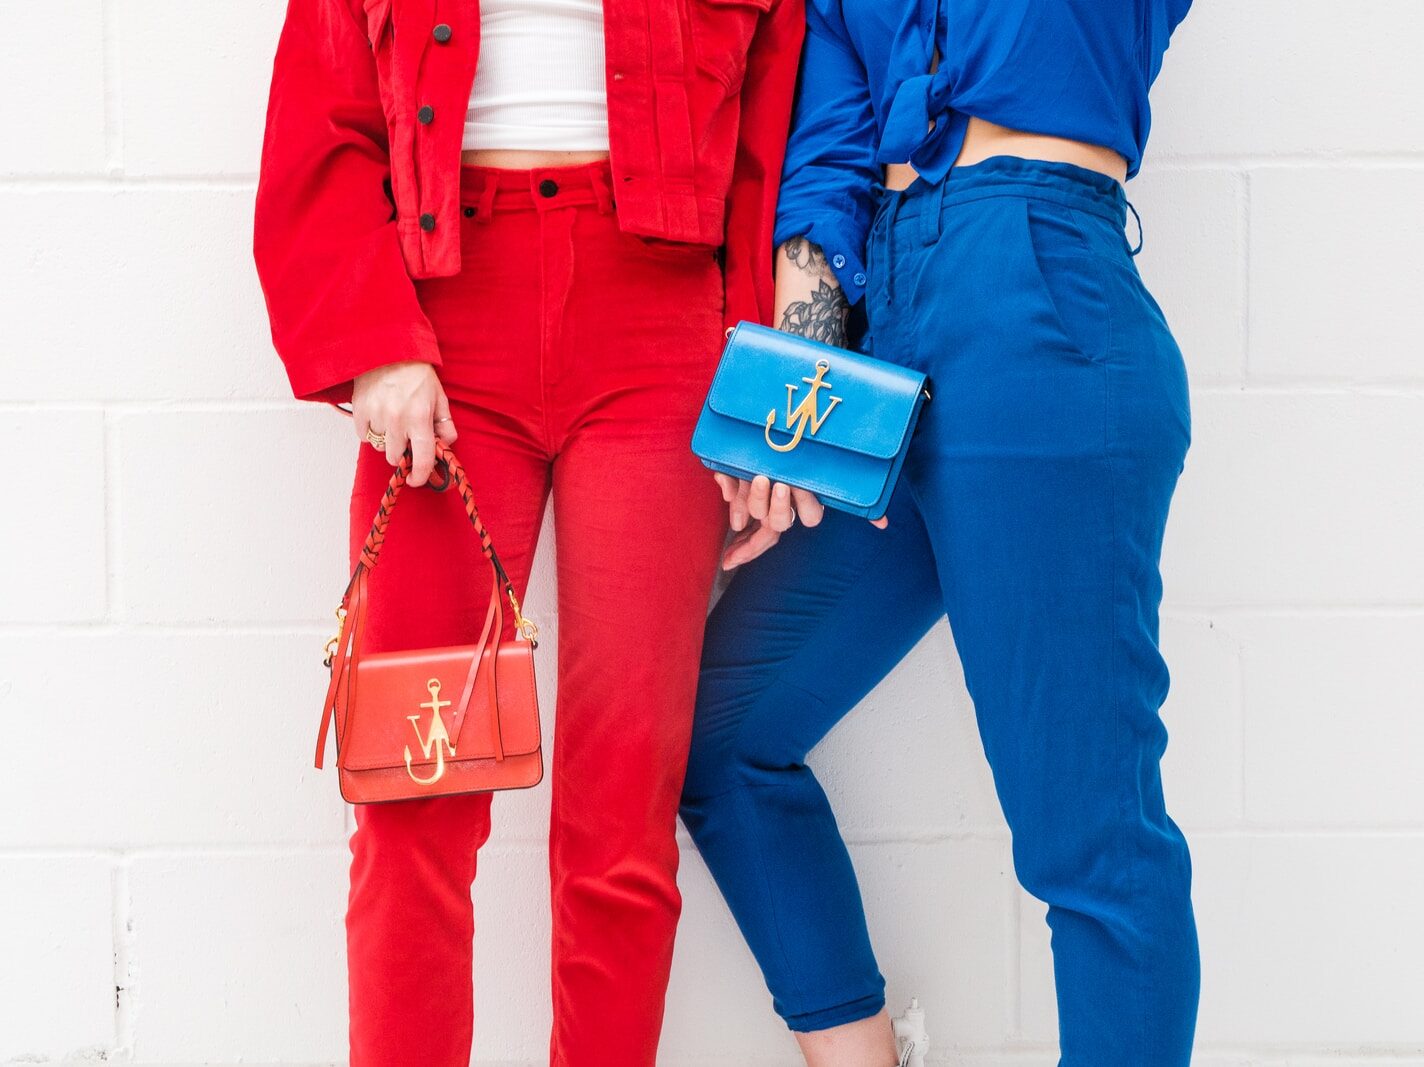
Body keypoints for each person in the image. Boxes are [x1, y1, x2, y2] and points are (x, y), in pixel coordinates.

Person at [251, 0, 803, 1063]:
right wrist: (375, 339)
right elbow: (321, 112)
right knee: (413, 791)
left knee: (623, 806)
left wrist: (760, 383)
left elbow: (766, 136)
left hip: (660, 322)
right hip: (445, 318)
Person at [679, 2, 1198, 1064]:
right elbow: (826, 159)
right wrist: (798, 403)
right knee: (717, 733)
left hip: (1041, 293)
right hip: (886, 322)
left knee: (1086, 837)